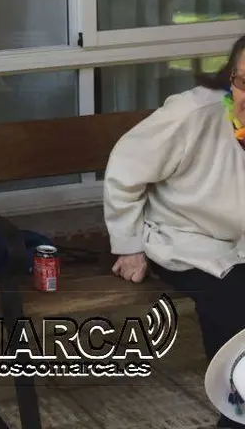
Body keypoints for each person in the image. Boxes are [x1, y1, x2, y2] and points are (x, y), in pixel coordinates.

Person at [104, 35, 245, 428]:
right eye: (244, 82)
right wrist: (128, 245)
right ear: (229, 79)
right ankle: (237, 414)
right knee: (234, 302)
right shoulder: (192, 112)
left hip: (240, 244)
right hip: (185, 239)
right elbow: (124, 171)